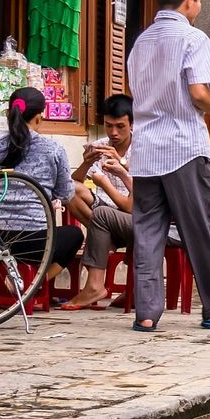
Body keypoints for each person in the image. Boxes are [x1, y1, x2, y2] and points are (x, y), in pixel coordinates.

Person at [126, 0, 210, 331]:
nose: (198, 6)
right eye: (199, 1)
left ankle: (146, 314)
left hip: (146, 148)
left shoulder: (141, 42)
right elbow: (198, 93)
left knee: (147, 231)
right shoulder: (194, 39)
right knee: (199, 229)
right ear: (189, 0)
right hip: (183, 145)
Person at [0, 87, 85, 277]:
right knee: (74, 235)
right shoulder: (53, 149)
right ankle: (36, 285)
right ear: (40, 117)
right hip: (34, 243)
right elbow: (66, 194)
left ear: (8, 114)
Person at [62, 95, 135, 311]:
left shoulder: (144, 147)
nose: (113, 133)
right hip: (105, 209)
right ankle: (106, 239)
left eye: (120, 126)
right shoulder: (100, 145)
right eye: (109, 126)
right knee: (70, 190)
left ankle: (96, 277)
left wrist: (121, 165)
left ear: (132, 124)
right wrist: (86, 164)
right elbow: (74, 182)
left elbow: (133, 204)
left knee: (103, 214)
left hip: (132, 213)